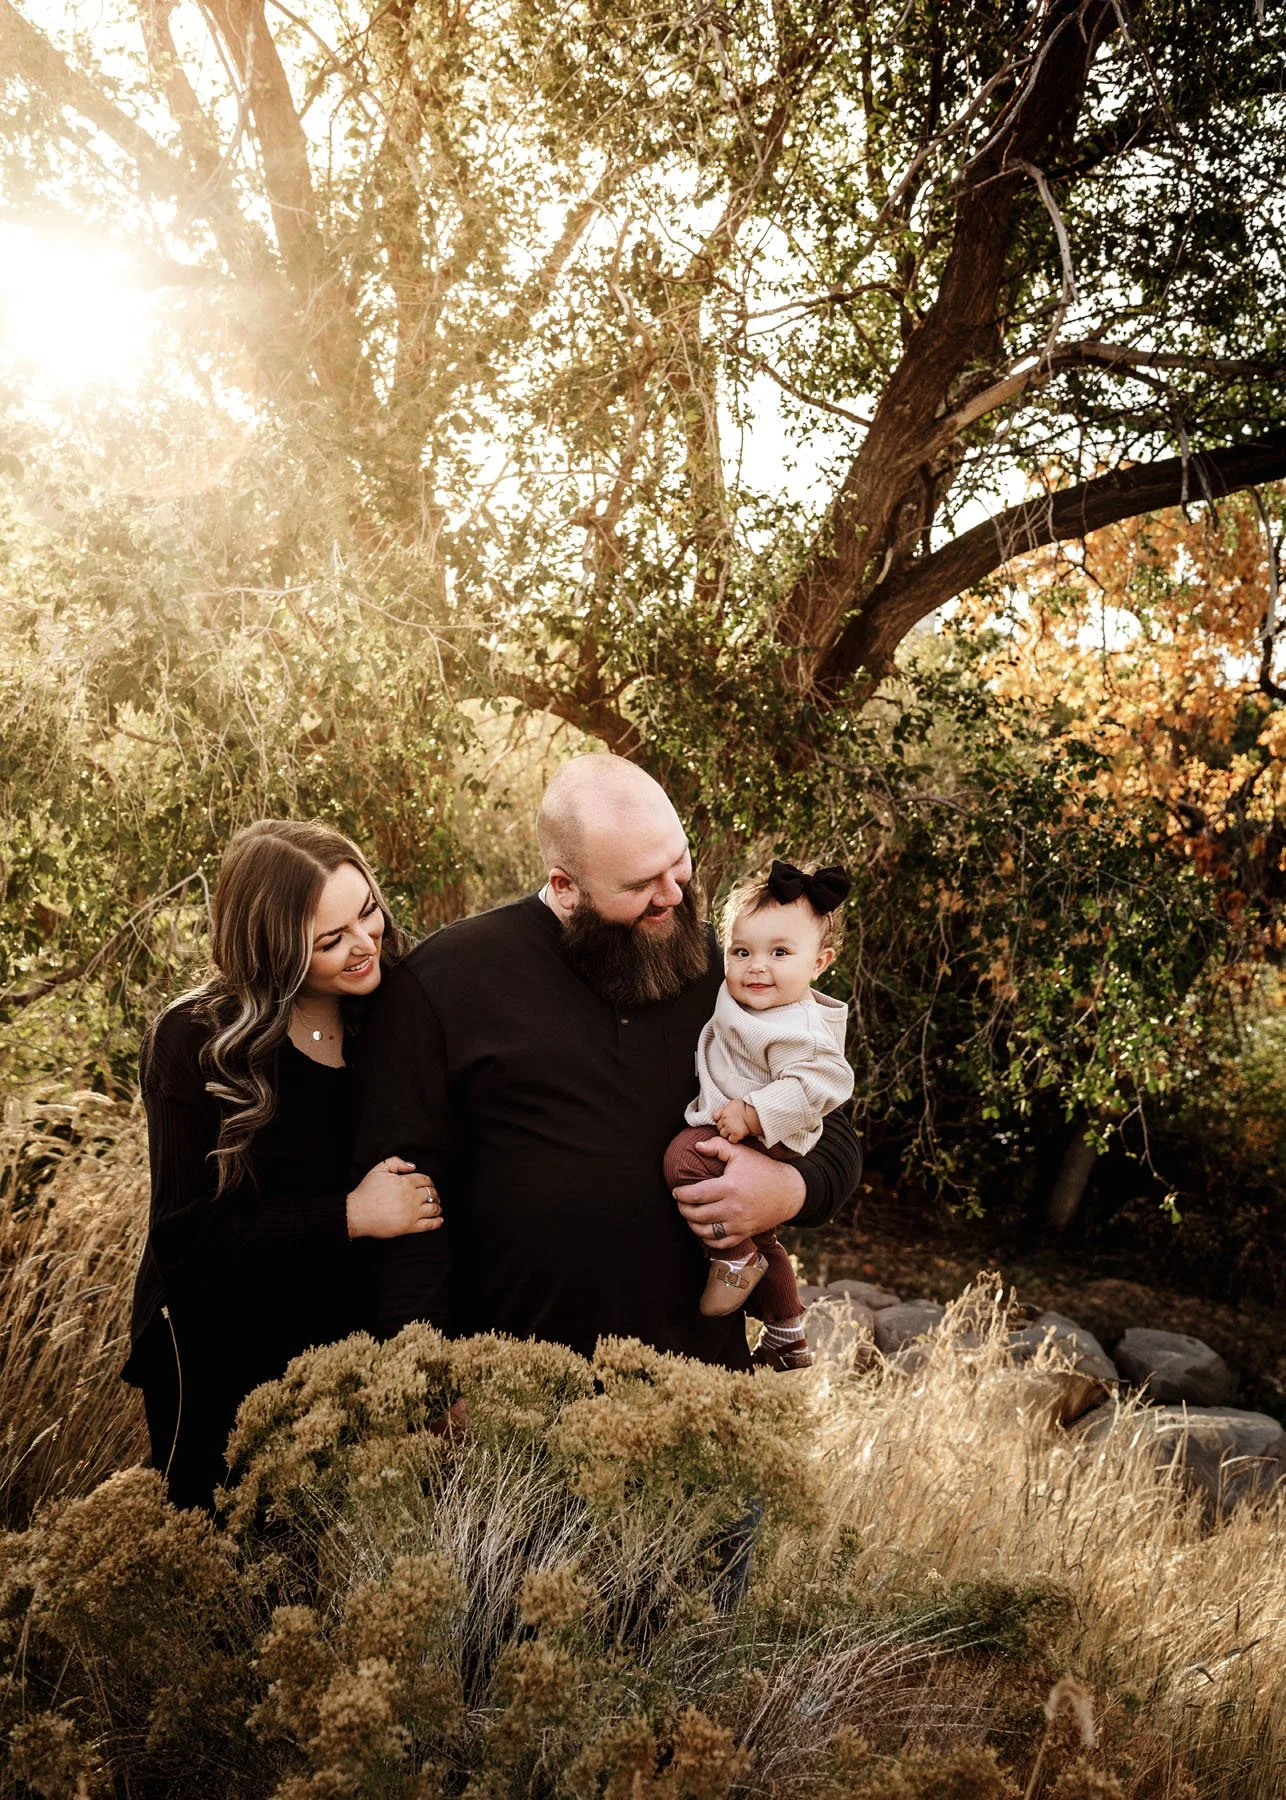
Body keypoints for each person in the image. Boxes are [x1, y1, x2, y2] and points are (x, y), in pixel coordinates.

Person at [354, 755, 861, 1369]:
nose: (673, 895)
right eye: (641, 884)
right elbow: (408, 1208)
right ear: (566, 887)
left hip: (699, 1391)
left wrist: (788, 1189)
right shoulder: (445, 983)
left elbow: (833, 1127)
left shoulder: (731, 971)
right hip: (518, 1392)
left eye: (680, 863)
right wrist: (428, 1386)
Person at [122, 820, 443, 1511]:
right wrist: (349, 1216)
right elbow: (184, 1237)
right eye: (330, 941)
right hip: (218, 1351)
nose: (364, 945)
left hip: (345, 1340)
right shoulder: (195, 1040)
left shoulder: (393, 1008)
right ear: (270, 952)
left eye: (368, 913)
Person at [663, 861, 854, 1371]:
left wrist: (754, 1112)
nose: (756, 967)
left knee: (685, 1156)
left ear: (820, 962)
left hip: (771, 1134)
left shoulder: (800, 1025)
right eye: (742, 951)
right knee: (765, 1234)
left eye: (780, 953)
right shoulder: (744, 995)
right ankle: (787, 1332)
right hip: (746, 1126)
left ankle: (735, 1259)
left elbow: (827, 1082)